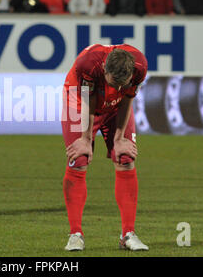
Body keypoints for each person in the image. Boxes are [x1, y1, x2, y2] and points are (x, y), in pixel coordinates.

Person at [62, 44, 149, 251]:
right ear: (105, 71)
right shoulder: (88, 64)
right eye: (114, 82)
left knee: (126, 157)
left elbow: (127, 97)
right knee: (80, 159)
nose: (119, 87)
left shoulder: (139, 67)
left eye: (123, 84)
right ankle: (75, 234)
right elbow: (88, 100)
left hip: (116, 106)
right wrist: (85, 138)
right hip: (79, 103)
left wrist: (119, 138)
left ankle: (128, 234)